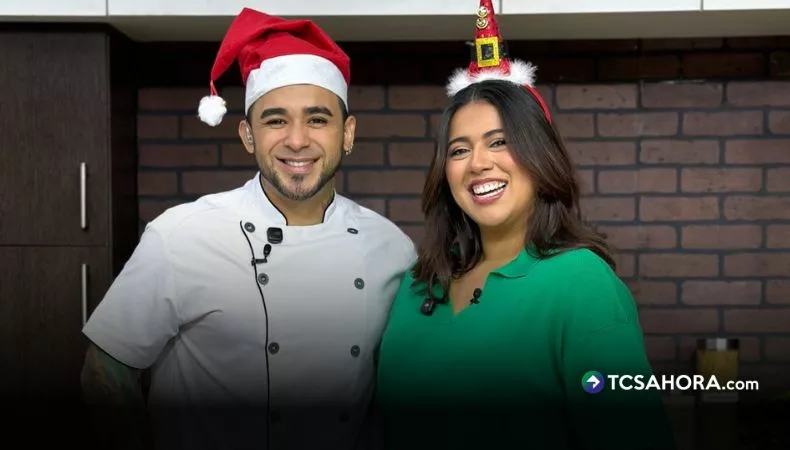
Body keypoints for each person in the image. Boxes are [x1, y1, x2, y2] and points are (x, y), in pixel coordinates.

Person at [80, 7, 416, 450]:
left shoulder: (392, 249)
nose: (297, 140)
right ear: (247, 135)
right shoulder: (181, 234)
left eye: (318, 119)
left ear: (348, 133)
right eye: (275, 120)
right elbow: (104, 372)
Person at [374, 1, 677, 449]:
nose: (478, 163)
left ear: (540, 157)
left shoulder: (581, 284)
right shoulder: (418, 284)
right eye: (459, 150)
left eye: (501, 142)